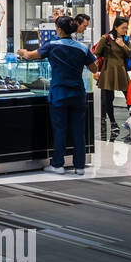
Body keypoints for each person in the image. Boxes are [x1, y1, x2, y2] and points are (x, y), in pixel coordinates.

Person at [17, 15, 99, 175]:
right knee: (78, 130)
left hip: (60, 93)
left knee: (60, 129)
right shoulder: (82, 47)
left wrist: (22, 51)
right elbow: (94, 68)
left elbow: (30, 55)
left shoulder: (52, 45)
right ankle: (80, 166)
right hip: (78, 93)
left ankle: (58, 164)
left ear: (59, 29)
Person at [94, 17, 131, 140]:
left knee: (130, 97)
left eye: (126, 28)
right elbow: (96, 53)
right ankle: (112, 123)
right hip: (107, 72)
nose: (125, 30)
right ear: (116, 27)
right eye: (123, 28)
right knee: (108, 99)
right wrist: (95, 71)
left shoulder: (125, 39)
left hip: (121, 71)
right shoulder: (105, 39)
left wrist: (122, 45)